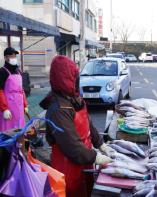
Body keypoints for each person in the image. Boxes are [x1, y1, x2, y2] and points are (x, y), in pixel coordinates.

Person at [40, 55, 114, 197]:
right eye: (74, 76)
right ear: (66, 78)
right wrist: (96, 157)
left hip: (84, 160)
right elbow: (72, 146)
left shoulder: (74, 98)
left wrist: (101, 144)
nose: (77, 80)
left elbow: (88, 123)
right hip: (68, 166)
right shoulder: (58, 109)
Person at [0, 47, 28, 132]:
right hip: (9, 106)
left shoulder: (18, 71)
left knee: (20, 127)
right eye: (11, 56)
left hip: (19, 106)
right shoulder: (2, 71)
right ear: (5, 57)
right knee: (9, 130)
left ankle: (20, 144)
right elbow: (0, 91)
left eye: (14, 56)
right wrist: (4, 109)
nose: (13, 58)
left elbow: (21, 90)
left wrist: (25, 104)